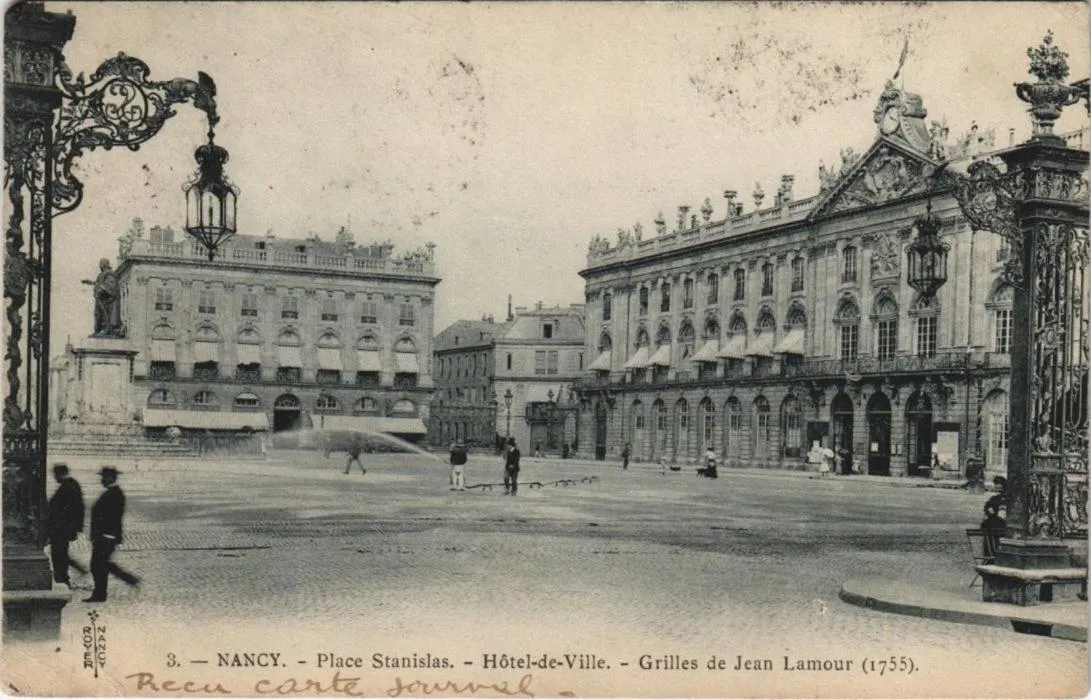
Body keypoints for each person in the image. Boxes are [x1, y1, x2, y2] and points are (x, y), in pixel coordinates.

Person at [85, 466, 139, 602]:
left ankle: (100, 594)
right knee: (101, 564)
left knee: (97, 565)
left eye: (103, 477)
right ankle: (126, 580)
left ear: (110, 478)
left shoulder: (114, 494)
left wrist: (106, 535)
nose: (101, 480)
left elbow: (112, 517)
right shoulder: (112, 492)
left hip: (106, 536)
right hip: (104, 536)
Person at [47, 463, 86, 586]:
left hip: (61, 528)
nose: (55, 478)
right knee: (61, 553)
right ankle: (64, 577)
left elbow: (73, 509)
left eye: (55, 475)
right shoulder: (71, 485)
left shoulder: (67, 487)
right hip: (63, 528)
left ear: (61, 474)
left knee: (58, 554)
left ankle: (62, 579)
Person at [81, 258, 123, 337]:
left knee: (104, 316)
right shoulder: (103, 274)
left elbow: (110, 285)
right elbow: (100, 283)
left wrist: (100, 290)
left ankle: (107, 329)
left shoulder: (109, 274)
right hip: (101, 300)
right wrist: (91, 282)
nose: (99, 266)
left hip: (107, 301)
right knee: (98, 315)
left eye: (101, 264)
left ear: (104, 264)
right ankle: (101, 329)